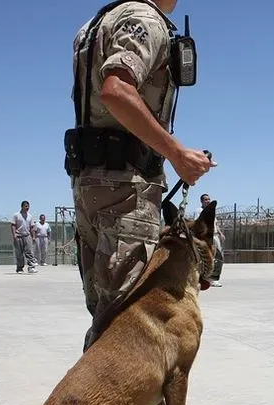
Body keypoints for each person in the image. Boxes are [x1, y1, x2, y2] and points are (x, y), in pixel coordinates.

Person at [65, 0, 214, 350]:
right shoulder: (144, 19)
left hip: (93, 182)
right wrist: (177, 153)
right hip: (125, 188)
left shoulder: (98, 22)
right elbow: (116, 91)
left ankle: (96, 384)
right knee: (129, 323)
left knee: (107, 320)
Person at [193, 193, 224, 286]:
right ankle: (205, 278)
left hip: (215, 236)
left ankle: (214, 278)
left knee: (218, 256)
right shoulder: (199, 211)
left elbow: (215, 224)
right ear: (201, 201)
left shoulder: (212, 212)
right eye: (206, 199)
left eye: (208, 199)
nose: (208, 201)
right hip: (206, 237)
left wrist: (220, 233)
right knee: (207, 256)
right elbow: (197, 223)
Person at [11, 200, 38, 274]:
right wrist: (14, 235)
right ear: (22, 206)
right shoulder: (16, 215)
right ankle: (20, 268)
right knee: (19, 253)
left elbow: (32, 227)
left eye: (28, 206)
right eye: (26, 206)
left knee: (29, 252)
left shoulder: (30, 216)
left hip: (27, 236)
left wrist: (33, 237)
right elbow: (13, 225)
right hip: (18, 236)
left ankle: (31, 267)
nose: (27, 208)